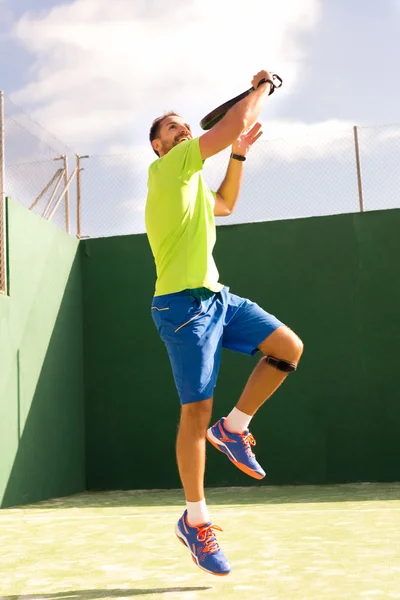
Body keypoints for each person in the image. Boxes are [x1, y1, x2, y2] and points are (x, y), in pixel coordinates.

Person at [145, 69, 304, 576]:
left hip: (217, 300)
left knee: (288, 348)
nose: (181, 130)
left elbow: (227, 204)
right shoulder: (168, 172)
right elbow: (237, 119)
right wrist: (264, 86)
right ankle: (195, 522)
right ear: (158, 148)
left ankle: (234, 429)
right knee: (194, 413)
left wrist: (237, 155)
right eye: (171, 128)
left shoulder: (192, 186)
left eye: (183, 125)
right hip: (180, 308)